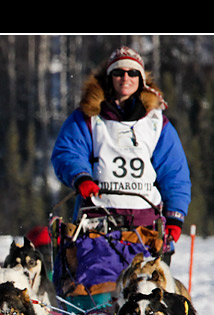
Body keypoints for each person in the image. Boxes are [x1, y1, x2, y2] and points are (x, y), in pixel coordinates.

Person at [51, 46, 191, 262]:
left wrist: (175, 218)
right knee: (99, 289)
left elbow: (175, 174)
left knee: (146, 290)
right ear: (110, 78)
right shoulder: (88, 118)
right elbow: (68, 151)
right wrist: (81, 176)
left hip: (146, 224)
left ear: (141, 79)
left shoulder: (156, 123)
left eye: (133, 73)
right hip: (98, 219)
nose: (126, 78)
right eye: (119, 72)